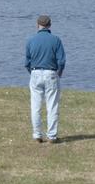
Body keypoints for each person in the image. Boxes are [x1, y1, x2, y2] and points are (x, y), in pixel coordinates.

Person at [25, 14, 66, 144]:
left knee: (35, 106)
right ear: (49, 25)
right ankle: (52, 136)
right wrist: (59, 73)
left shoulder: (31, 40)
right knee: (52, 106)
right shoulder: (56, 40)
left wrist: (32, 73)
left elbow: (27, 62)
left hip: (35, 72)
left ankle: (37, 134)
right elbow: (62, 61)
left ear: (37, 25)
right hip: (51, 73)